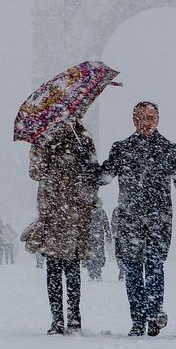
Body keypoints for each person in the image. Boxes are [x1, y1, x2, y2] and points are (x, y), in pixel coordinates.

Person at [100, 101, 176, 337]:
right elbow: (104, 177)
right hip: (130, 220)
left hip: (158, 220)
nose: (147, 122)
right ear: (134, 120)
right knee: (133, 270)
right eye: (142, 117)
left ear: (158, 120)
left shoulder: (169, 150)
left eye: (151, 117)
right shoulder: (121, 149)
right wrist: (88, 164)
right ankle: (138, 319)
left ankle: (153, 314)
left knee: (154, 267)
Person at [29, 120, 99, 335]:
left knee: (72, 268)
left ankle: (74, 316)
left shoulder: (83, 137)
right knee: (53, 269)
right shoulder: (42, 138)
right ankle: (57, 319)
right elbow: (35, 172)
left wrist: (84, 158)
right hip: (52, 211)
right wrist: (47, 149)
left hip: (76, 211)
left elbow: (94, 172)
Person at [84, 199, 113, 281]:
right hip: (89, 238)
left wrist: (108, 237)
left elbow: (106, 225)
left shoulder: (101, 212)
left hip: (98, 238)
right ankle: (91, 274)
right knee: (89, 256)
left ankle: (97, 273)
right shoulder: (87, 212)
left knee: (98, 256)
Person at [111, 205, 128, 281]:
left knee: (125, 255)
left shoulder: (130, 208)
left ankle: (125, 270)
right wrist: (115, 233)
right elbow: (113, 222)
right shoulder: (116, 210)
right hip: (119, 237)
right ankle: (122, 270)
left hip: (127, 237)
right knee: (118, 255)